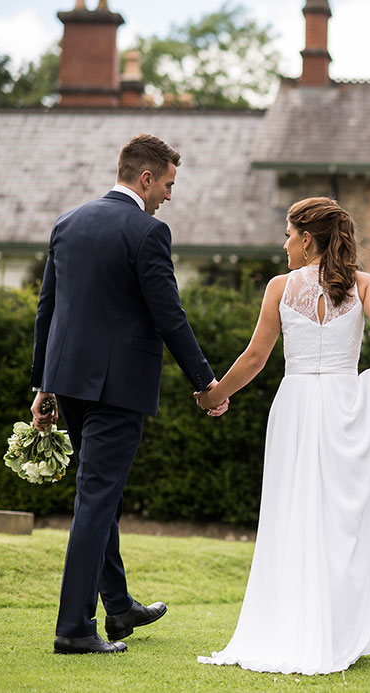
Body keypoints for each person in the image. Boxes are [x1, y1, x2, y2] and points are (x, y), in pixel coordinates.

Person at [29, 134, 228, 655]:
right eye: (167, 183)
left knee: (102, 496)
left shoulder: (67, 223)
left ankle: (118, 608)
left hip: (69, 384)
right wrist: (206, 383)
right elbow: (170, 317)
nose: (169, 194)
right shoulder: (148, 232)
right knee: (96, 501)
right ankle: (74, 629)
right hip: (118, 390)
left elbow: (47, 309)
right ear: (146, 178)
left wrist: (43, 385)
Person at [196, 196, 370, 675]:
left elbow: (254, 359)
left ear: (307, 238)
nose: (284, 244)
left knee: (292, 513)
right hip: (345, 405)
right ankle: (333, 628)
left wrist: (213, 395)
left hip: (295, 407)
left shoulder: (280, 288)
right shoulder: (363, 284)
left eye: (288, 235)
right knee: (339, 519)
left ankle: (290, 622)